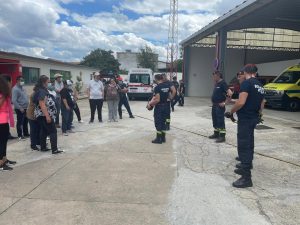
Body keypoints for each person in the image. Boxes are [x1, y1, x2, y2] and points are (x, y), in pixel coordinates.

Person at [227, 64, 265, 188]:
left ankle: (246, 177)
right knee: (249, 143)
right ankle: (247, 165)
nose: (241, 75)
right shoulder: (259, 85)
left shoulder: (247, 83)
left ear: (246, 72)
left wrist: (231, 112)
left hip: (245, 119)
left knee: (243, 145)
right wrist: (259, 114)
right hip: (253, 117)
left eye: (242, 72)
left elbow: (241, 102)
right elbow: (262, 103)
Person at [34, 75, 62, 154]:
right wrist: (47, 116)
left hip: (42, 115)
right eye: (48, 82)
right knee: (53, 131)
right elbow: (42, 104)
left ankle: (43, 147)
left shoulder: (40, 90)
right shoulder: (42, 91)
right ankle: (54, 149)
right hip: (44, 115)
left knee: (44, 131)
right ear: (44, 82)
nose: (49, 83)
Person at [209, 70, 232, 143]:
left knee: (220, 120)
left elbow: (230, 93)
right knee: (215, 119)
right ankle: (216, 133)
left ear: (218, 75)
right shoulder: (217, 83)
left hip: (219, 106)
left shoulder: (223, 83)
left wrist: (225, 103)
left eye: (214, 76)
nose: (213, 77)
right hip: (215, 105)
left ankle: (222, 136)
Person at [147, 74, 171, 144]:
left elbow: (157, 100)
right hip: (166, 106)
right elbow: (169, 96)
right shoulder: (167, 86)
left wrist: (150, 104)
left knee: (158, 123)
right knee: (163, 122)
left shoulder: (157, 88)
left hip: (159, 107)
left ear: (156, 79)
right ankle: (163, 138)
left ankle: (158, 139)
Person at [0, 75, 16, 170]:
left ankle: (4, 159)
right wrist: (4, 97)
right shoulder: (2, 95)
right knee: (1, 142)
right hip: (0, 122)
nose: (10, 84)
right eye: (9, 82)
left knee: (4, 141)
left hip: (4, 121)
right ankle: (1, 164)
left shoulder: (4, 94)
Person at [12, 76, 29, 140]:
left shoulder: (23, 88)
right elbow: (14, 100)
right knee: (20, 122)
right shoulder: (15, 89)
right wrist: (19, 108)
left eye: (23, 80)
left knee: (25, 121)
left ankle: (26, 133)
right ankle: (20, 135)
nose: (23, 82)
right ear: (17, 81)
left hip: (25, 107)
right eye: (21, 80)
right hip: (20, 108)